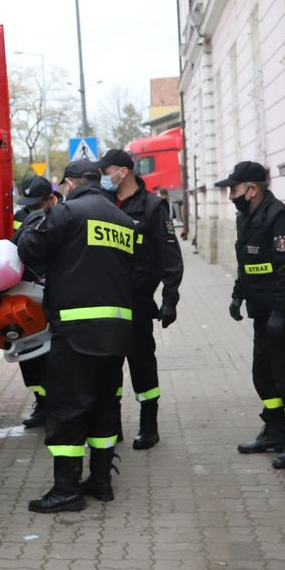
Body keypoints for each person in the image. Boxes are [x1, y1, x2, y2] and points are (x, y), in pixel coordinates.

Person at [16, 159, 147, 512]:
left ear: (70, 184)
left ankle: (66, 490)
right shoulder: (122, 220)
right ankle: (101, 481)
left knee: (66, 409)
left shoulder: (68, 213)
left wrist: (31, 224)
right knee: (105, 406)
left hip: (76, 332)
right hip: (116, 332)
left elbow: (30, 249)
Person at [217, 161, 285, 469]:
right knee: (263, 374)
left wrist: (280, 313)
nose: (231, 196)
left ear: (252, 189)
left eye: (233, 189)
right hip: (263, 312)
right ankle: (274, 431)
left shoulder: (280, 217)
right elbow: (247, 263)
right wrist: (238, 294)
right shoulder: (246, 217)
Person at [98, 149, 184, 450]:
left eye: (106, 171)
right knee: (108, 366)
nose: (103, 177)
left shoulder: (153, 207)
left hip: (137, 301)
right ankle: (112, 424)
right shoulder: (103, 203)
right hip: (106, 300)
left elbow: (170, 258)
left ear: (123, 171)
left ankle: (149, 426)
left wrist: (170, 299)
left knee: (142, 363)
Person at [12, 175, 56, 428]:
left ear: (51, 199)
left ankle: (55, 408)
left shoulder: (61, 217)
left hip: (50, 295)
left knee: (50, 357)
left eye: (37, 204)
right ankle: (42, 403)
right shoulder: (22, 217)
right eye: (29, 204)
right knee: (29, 357)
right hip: (25, 297)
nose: (32, 209)